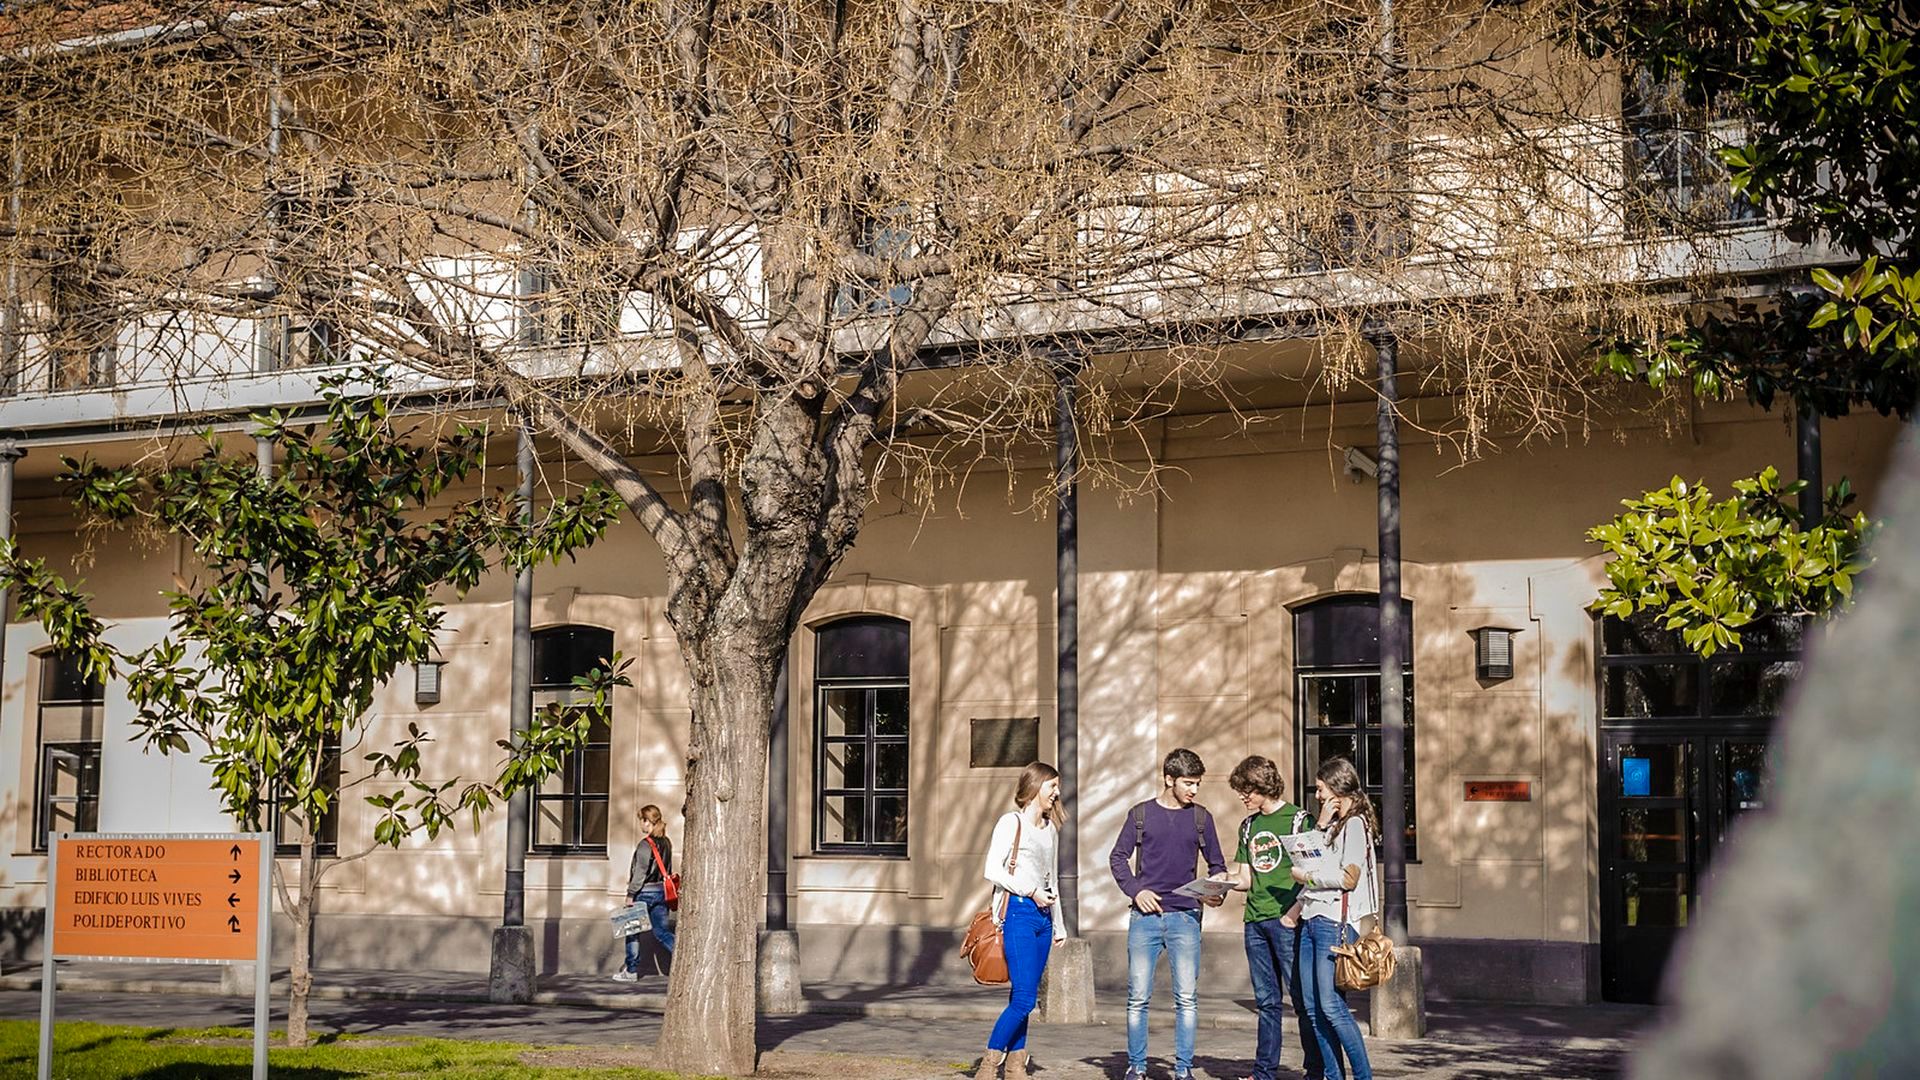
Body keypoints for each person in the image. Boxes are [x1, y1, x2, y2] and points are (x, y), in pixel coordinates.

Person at [1108, 747, 1229, 1080]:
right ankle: (1136, 1067)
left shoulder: (1202, 818)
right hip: (1144, 920)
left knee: (1187, 999)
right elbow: (1118, 858)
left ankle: (1183, 1071)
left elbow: (1217, 866)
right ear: (1168, 779)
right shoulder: (1140, 815)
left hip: (1186, 918)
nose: (1194, 790)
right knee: (1138, 998)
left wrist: (1216, 889)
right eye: (1188, 783)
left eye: (1197, 784)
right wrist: (1136, 891)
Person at [1227, 755, 1322, 1080]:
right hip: (1254, 921)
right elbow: (1246, 877)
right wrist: (1220, 885)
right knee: (1267, 1002)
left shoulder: (1299, 821)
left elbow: (1314, 875)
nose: (1243, 797)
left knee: (1302, 1000)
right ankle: (1263, 1072)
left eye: (1247, 790)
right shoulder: (1249, 826)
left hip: (1287, 921)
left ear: (1263, 786)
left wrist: (1293, 915)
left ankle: (1315, 1070)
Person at [977, 761, 1069, 1080]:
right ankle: (989, 1065)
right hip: (1018, 912)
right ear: (1034, 787)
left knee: (1022, 995)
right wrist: (1030, 891)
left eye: (1057, 787)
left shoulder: (1050, 830)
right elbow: (993, 870)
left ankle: (1016, 1066)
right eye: (1052, 787)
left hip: (1043, 918)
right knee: (1026, 999)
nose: (1057, 793)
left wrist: (1058, 925)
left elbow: (1052, 880)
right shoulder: (1010, 823)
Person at [1289, 758, 1379, 1080]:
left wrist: (1308, 878)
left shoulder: (1354, 824)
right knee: (1313, 1008)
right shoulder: (1334, 825)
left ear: (1338, 789)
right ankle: (1332, 1074)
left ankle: (1363, 1076)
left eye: (1321, 789)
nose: (1317, 796)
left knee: (1332, 1007)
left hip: (1334, 923)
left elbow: (1349, 877)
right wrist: (1321, 826)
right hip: (1312, 919)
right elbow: (1308, 856)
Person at [614, 804, 676, 982]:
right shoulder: (666, 842)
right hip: (661, 893)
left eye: (641, 820)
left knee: (632, 931)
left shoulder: (645, 845)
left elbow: (640, 872)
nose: (640, 825)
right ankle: (684, 960)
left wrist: (630, 894)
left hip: (644, 892)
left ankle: (631, 971)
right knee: (662, 933)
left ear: (647, 821)